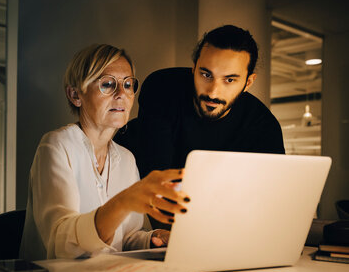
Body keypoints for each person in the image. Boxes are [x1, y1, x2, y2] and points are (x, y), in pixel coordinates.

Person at [19, 44, 190, 261]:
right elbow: (61, 246)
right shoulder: (57, 146)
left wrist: (154, 237)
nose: (121, 94)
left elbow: (125, 238)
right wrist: (123, 202)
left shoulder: (127, 159)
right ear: (75, 95)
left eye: (128, 84)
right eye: (107, 84)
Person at [114, 25, 285, 229]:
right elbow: (159, 185)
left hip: (215, 218)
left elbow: (269, 203)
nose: (213, 92)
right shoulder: (163, 88)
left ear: (248, 83)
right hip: (119, 186)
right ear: (193, 68)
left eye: (229, 80)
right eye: (206, 75)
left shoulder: (263, 125)